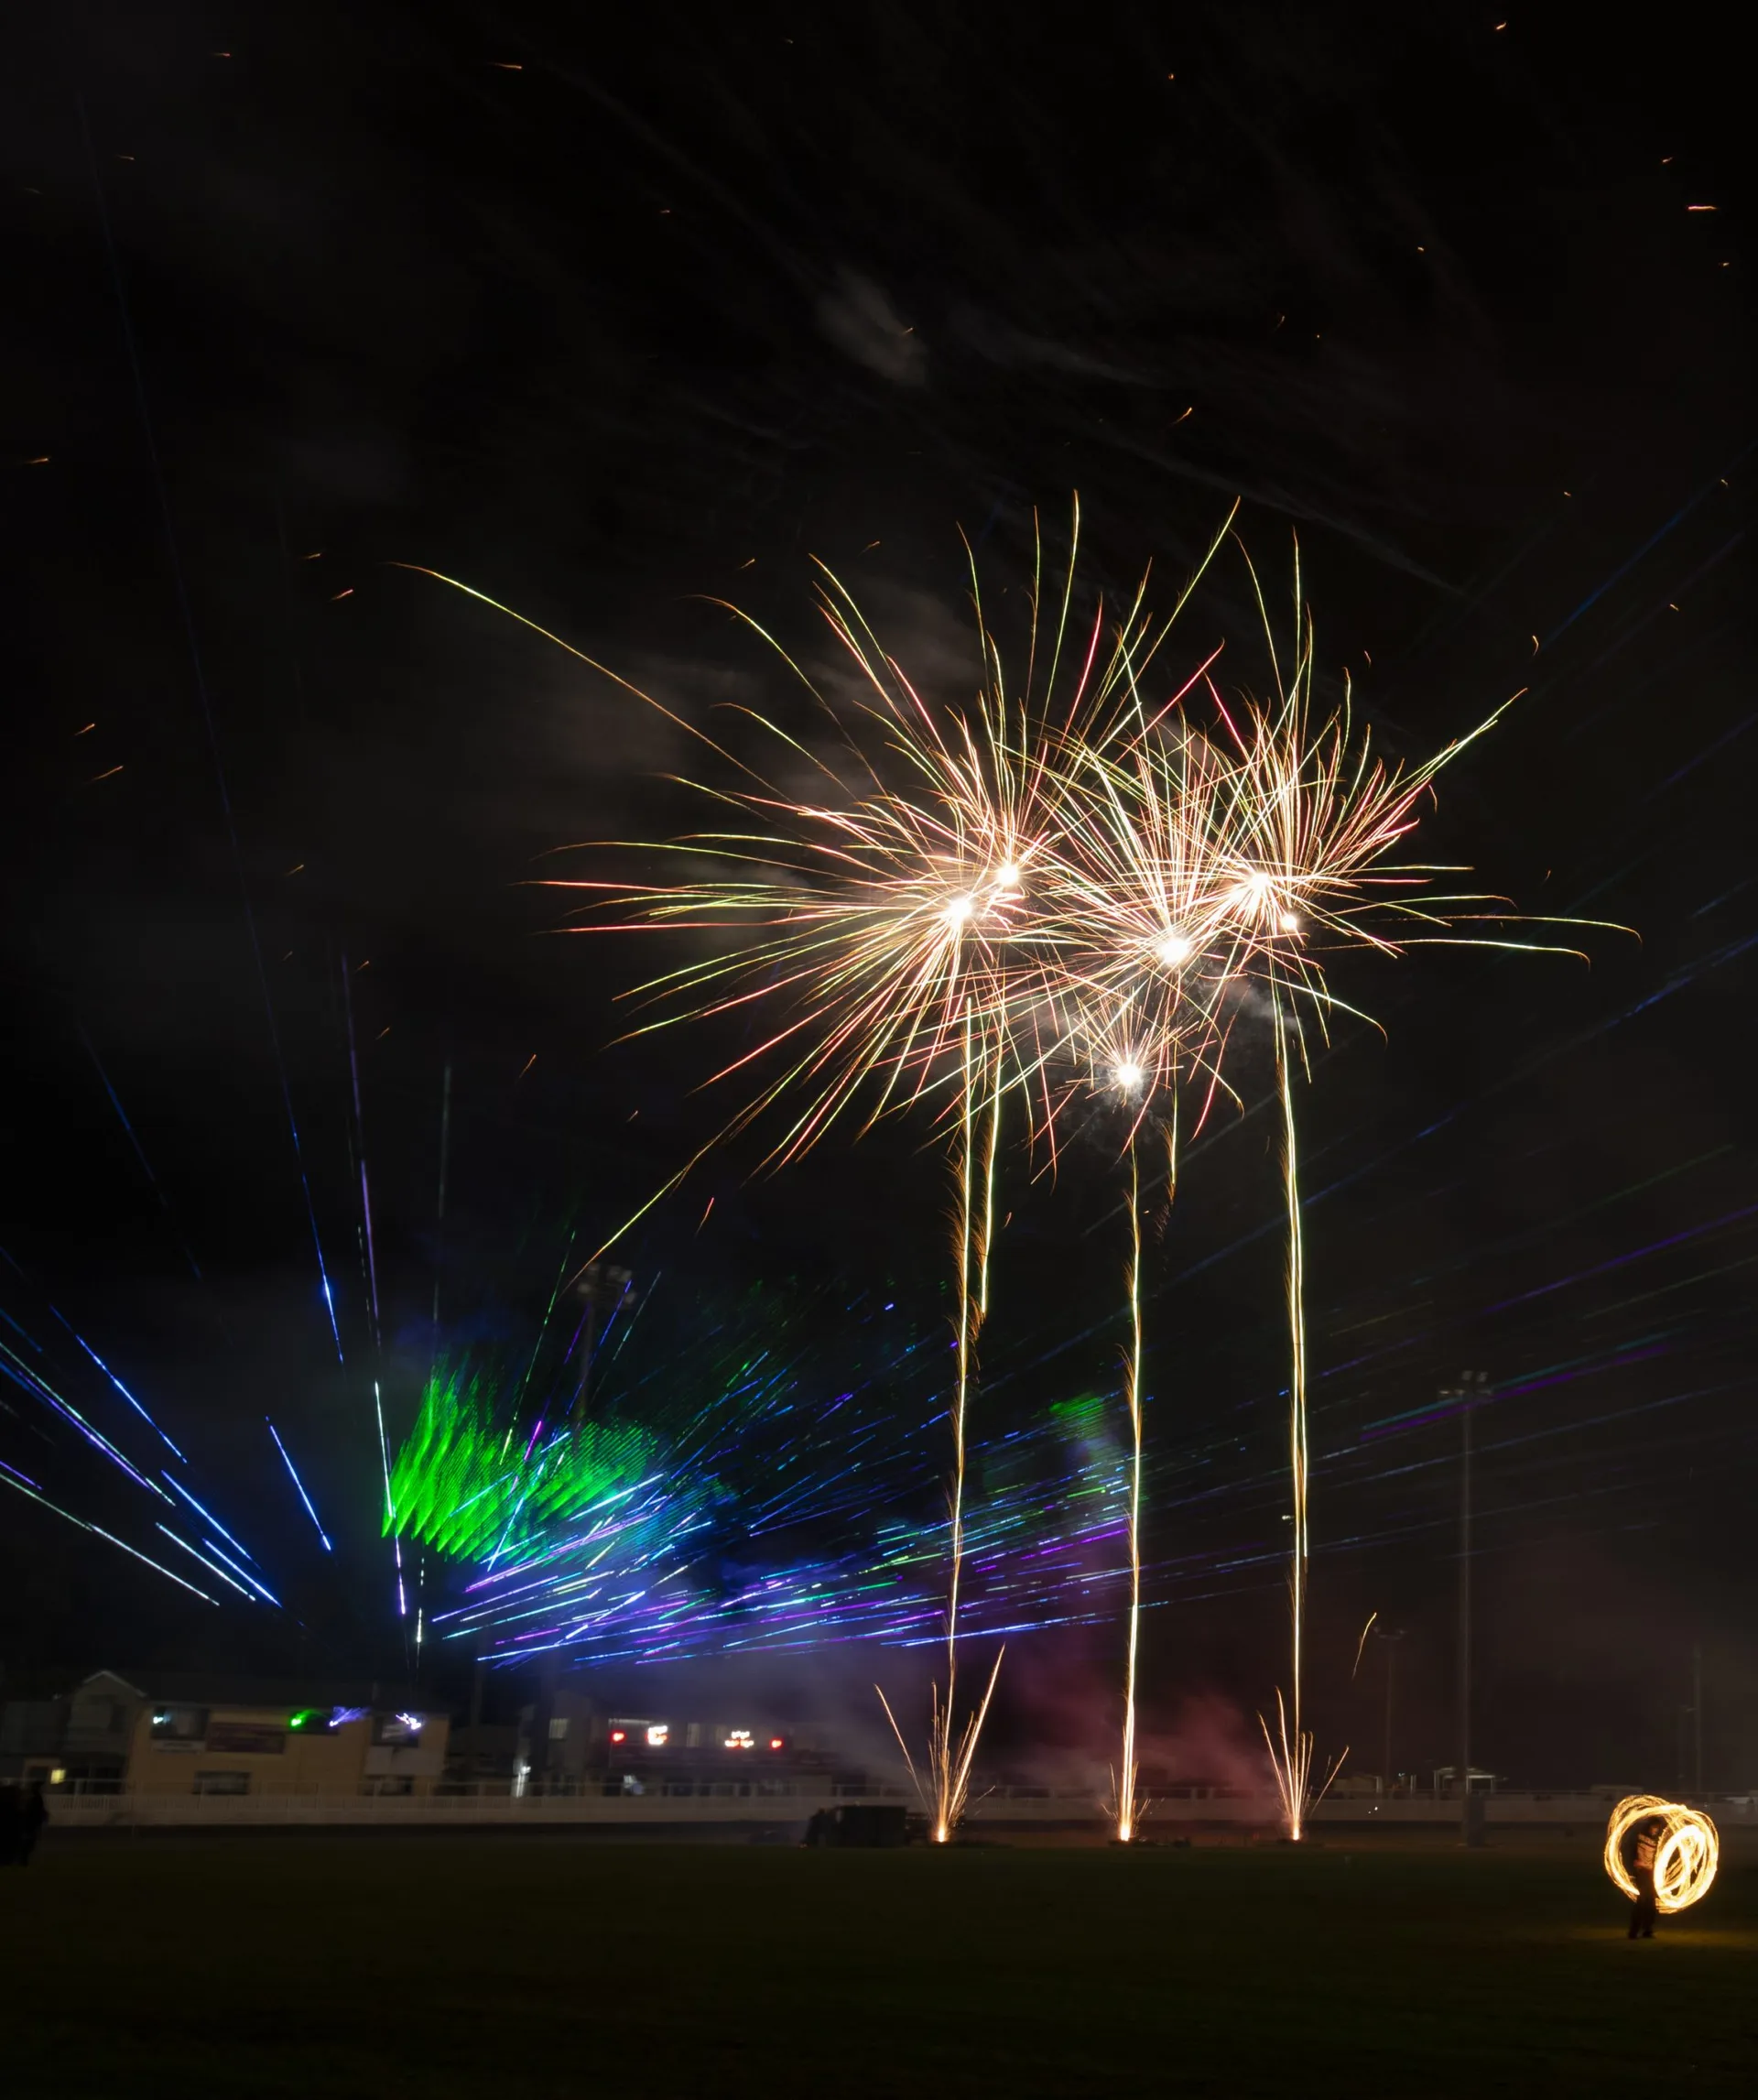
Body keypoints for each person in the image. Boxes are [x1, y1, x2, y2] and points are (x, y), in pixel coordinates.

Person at [1626, 1814, 1662, 1940]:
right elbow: (1629, 1849)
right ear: (1649, 1826)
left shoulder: (1656, 1840)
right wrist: (1634, 1863)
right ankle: (1633, 1932)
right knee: (1642, 1901)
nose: (1655, 1830)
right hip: (1641, 1873)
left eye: (1657, 1829)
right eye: (1654, 1828)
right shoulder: (1639, 1836)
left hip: (1650, 1873)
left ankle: (1647, 1930)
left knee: (1651, 1903)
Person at [17, 1780, 49, 1866]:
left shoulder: (34, 1798)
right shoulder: (35, 1798)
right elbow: (35, 1811)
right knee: (29, 1842)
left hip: (31, 1822)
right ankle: (23, 1860)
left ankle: (22, 1859)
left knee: (29, 1841)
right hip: (31, 1823)